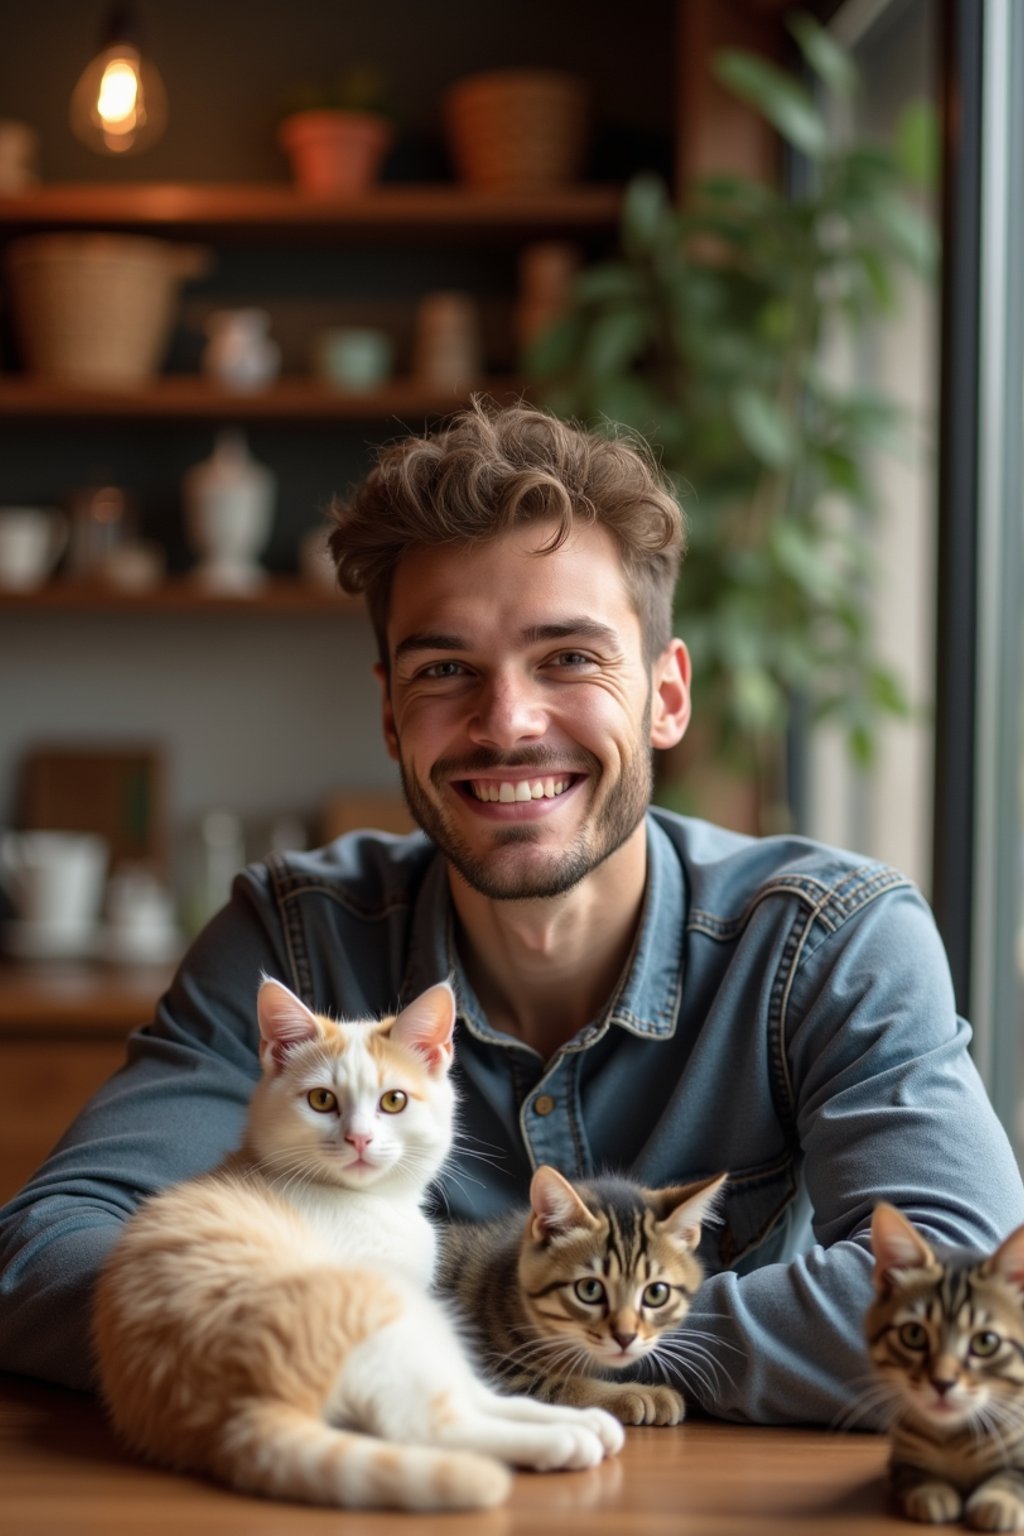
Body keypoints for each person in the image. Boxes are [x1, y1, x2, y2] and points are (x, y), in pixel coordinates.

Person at [0, 399, 1021, 1425]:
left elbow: (969, 1289)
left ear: (665, 697)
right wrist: (403, 1363)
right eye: (445, 670)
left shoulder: (830, 938)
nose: (507, 723)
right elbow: (46, 1254)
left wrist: (516, 1359)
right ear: (391, 718)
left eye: (569, 659)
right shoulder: (291, 938)